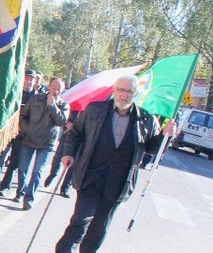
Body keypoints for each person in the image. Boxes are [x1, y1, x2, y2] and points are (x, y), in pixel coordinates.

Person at [55, 75, 176, 252]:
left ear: (135, 94)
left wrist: (167, 135)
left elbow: (152, 149)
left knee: (100, 227)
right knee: (80, 219)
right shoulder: (95, 109)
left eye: (129, 91)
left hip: (118, 183)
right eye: (121, 90)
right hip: (91, 176)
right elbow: (76, 133)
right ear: (114, 90)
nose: (124, 95)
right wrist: (68, 153)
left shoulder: (146, 119)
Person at [15, 77, 69, 210]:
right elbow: (23, 115)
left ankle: (29, 198)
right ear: (49, 87)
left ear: (62, 90)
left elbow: (61, 121)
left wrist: (53, 106)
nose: (55, 91)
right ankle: (20, 191)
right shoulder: (36, 98)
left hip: (46, 143)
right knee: (22, 168)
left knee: (37, 171)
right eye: (53, 87)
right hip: (29, 139)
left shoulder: (64, 105)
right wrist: (26, 129)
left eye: (58, 89)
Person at [0, 69, 38, 195]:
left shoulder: (37, 98)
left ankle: (5, 187)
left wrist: (24, 127)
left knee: (14, 162)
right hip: (8, 131)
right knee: (0, 158)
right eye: (27, 78)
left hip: (23, 134)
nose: (29, 81)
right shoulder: (15, 92)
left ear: (35, 82)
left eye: (32, 79)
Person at [44, 109, 80, 198]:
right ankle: (53, 174)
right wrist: (67, 123)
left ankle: (65, 187)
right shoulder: (76, 104)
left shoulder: (93, 109)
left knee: (74, 163)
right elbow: (63, 115)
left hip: (81, 139)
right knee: (59, 156)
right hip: (68, 134)